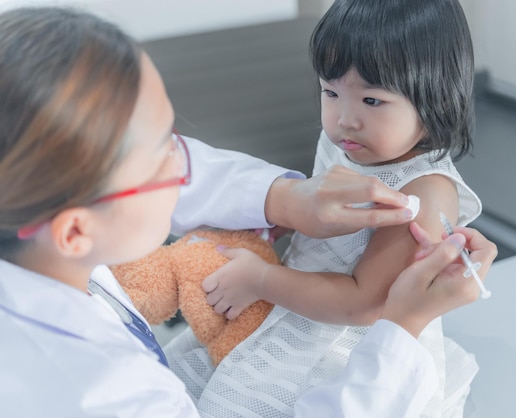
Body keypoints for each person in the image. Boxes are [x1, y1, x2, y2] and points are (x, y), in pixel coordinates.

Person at [0, 6, 496, 418]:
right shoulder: (110, 392)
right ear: (76, 230)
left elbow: (363, 300)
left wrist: (280, 230)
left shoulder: (422, 191)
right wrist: (402, 327)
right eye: (163, 149)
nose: (190, 162)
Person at [184, 0, 483, 416]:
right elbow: (315, 216)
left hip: (341, 342)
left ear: (435, 98)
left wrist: (262, 280)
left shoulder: (426, 192)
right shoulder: (346, 146)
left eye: (372, 101)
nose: (345, 119)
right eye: (330, 91)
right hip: (295, 298)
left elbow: (365, 303)